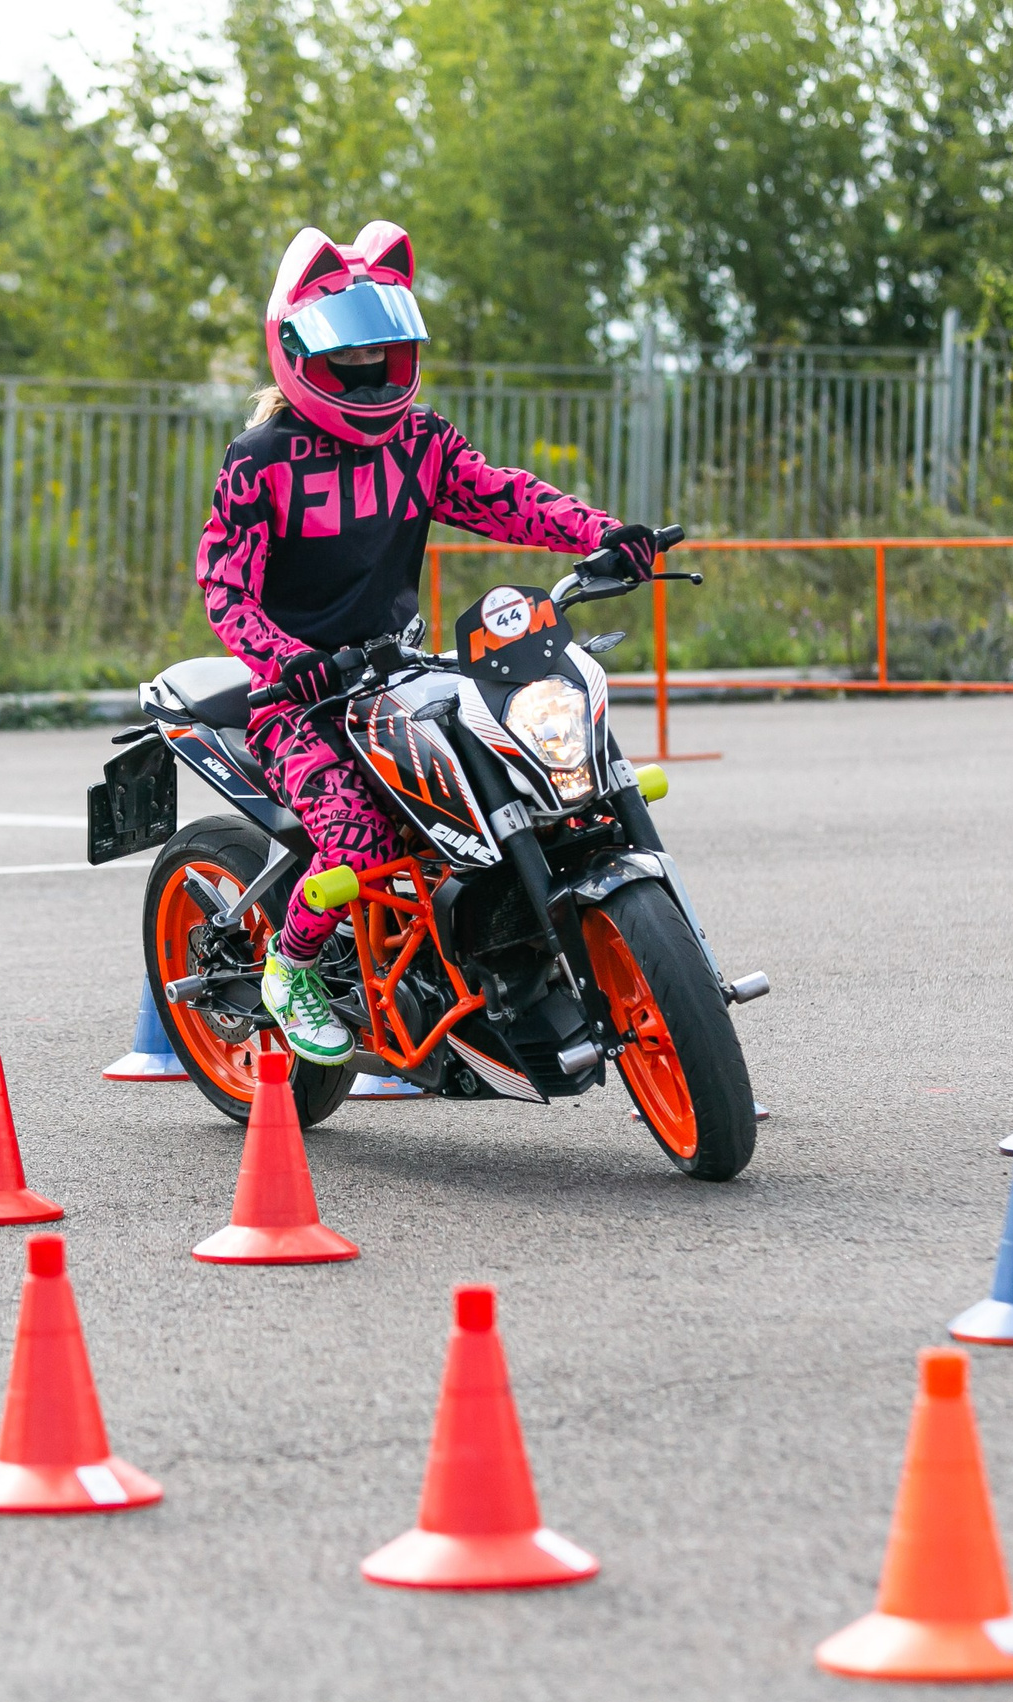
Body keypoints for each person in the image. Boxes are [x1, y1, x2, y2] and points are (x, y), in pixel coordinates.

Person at [194, 220, 660, 1068]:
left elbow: (502, 496)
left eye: (383, 353)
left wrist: (605, 536)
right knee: (360, 839)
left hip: (401, 672)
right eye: (349, 356)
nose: (370, 371)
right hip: (297, 697)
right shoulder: (260, 459)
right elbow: (223, 584)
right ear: (297, 349)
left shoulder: (421, 439)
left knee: (521, 777)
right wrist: (283, 658)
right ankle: (290, 964)